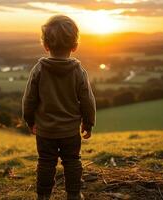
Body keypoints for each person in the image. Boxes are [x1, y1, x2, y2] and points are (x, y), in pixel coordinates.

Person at [22, 15, 96, 200]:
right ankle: (74, 194)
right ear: (74, 46)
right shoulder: (78, 71)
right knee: (72, 162)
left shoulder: (38, 69)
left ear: (46, 45)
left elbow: (29, 99)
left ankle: (43, 195)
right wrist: (88, 123)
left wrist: (30, 120)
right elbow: (87, 100)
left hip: (45, 130)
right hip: (70, 130)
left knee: (46, 162)